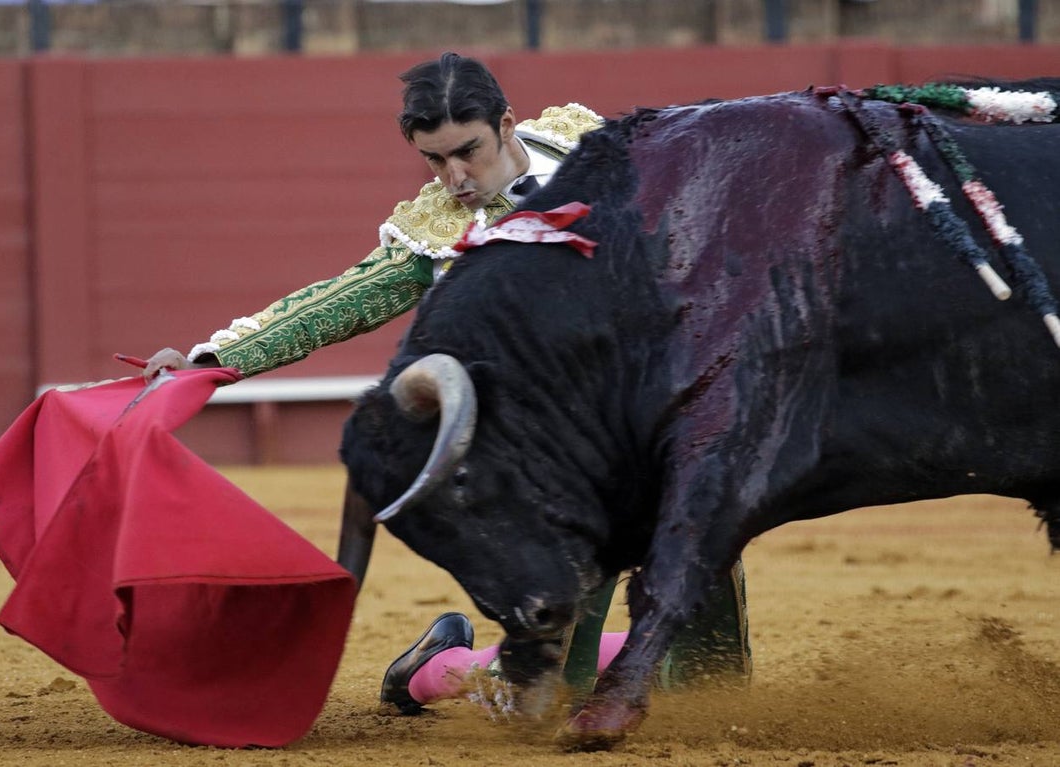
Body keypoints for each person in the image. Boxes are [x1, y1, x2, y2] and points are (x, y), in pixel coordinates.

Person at [140, 51, 750, 715]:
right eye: (436, 160)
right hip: (556, 464)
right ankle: (439, 666)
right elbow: (335, 304)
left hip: (662, 429)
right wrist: (212, 358)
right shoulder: (434, 232)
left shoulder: (586, 145)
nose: (456, 177)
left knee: (710, 680)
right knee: (554, 699)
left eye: (469, 151)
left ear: (507, 125)